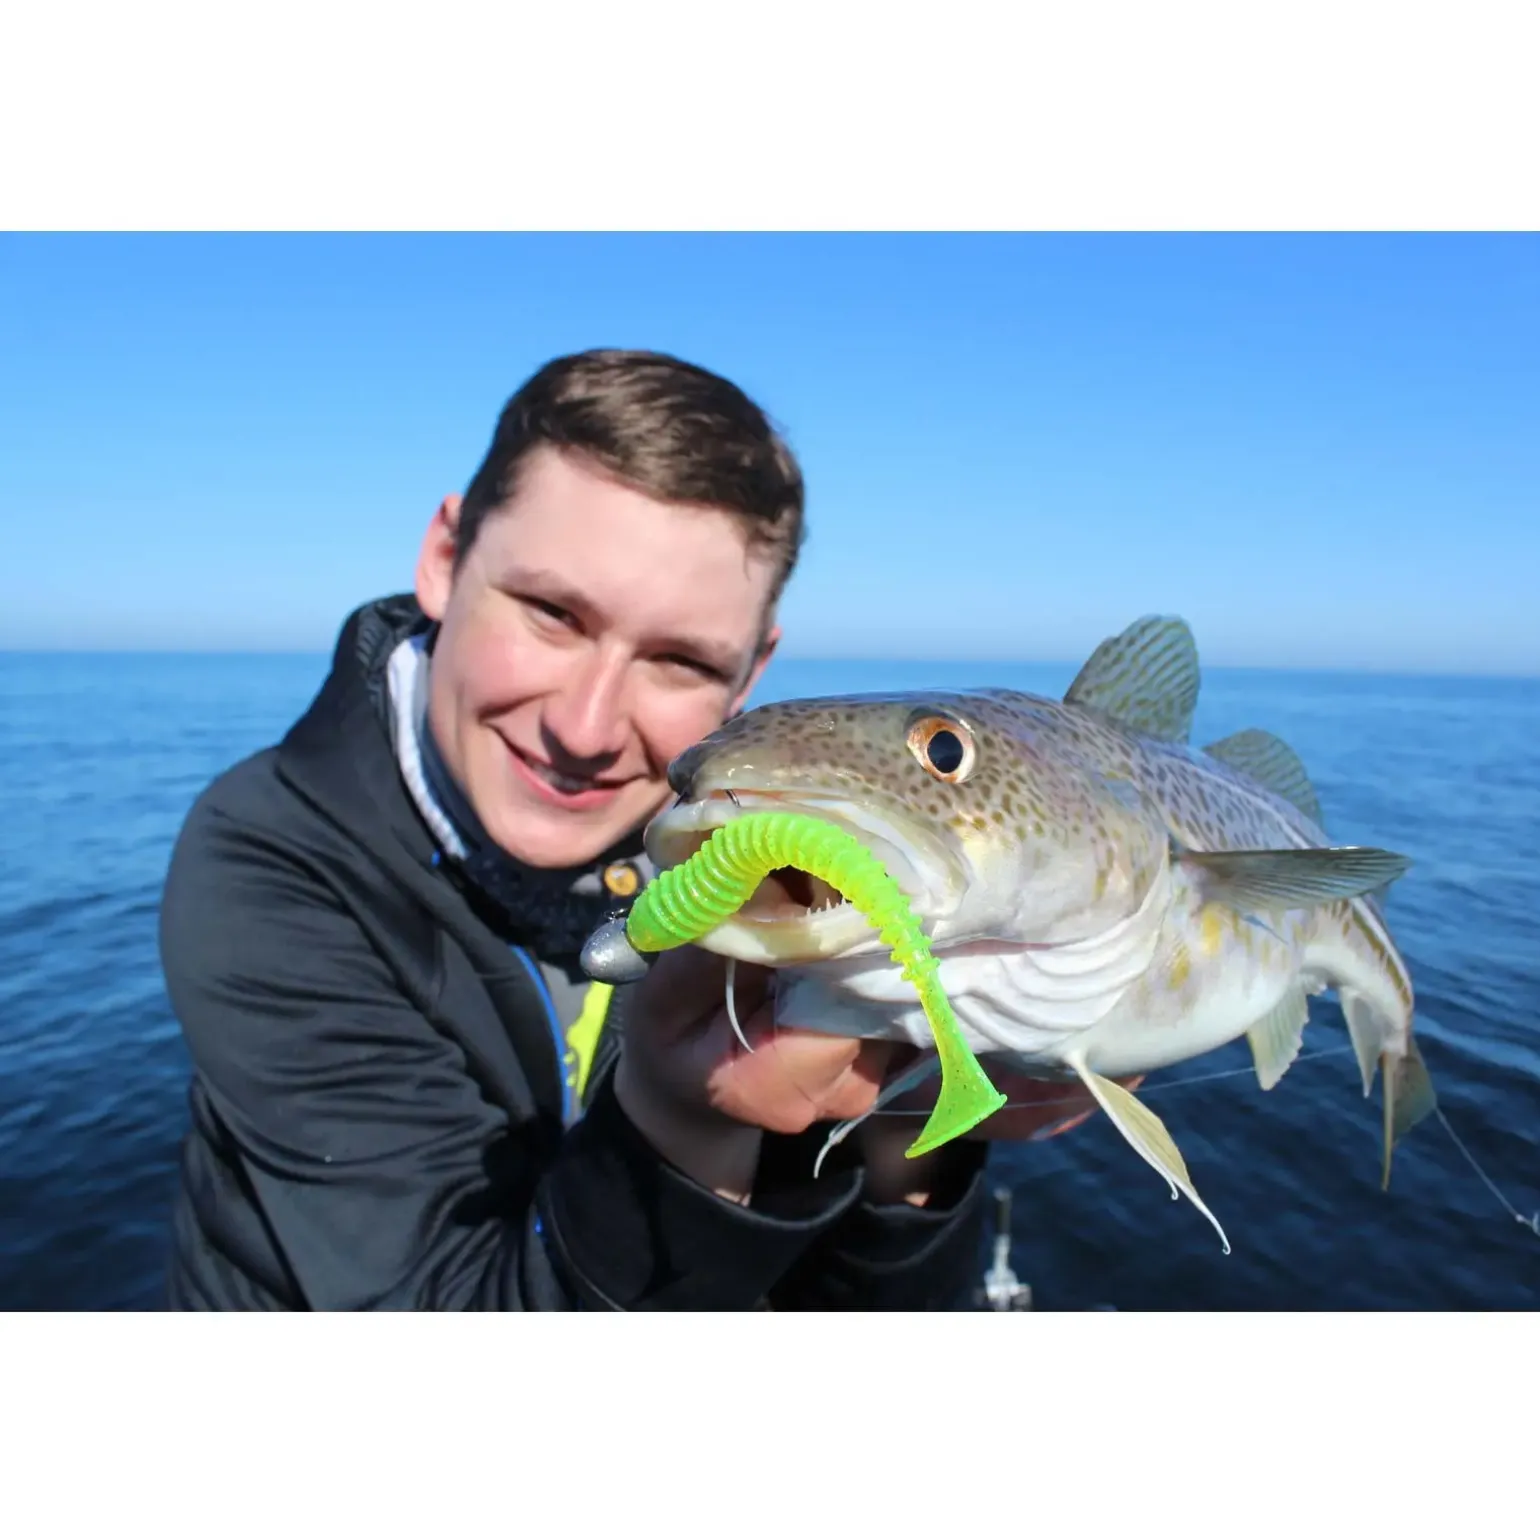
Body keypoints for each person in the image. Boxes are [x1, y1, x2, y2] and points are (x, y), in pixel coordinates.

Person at [158, 347, 1106, 1311]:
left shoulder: (772, 871)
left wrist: (910, 1143)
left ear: (753, 672)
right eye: (550, 613)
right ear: (445, 559)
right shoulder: (266, 864)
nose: (586, 729)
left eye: (682, 661)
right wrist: (680, 1132)